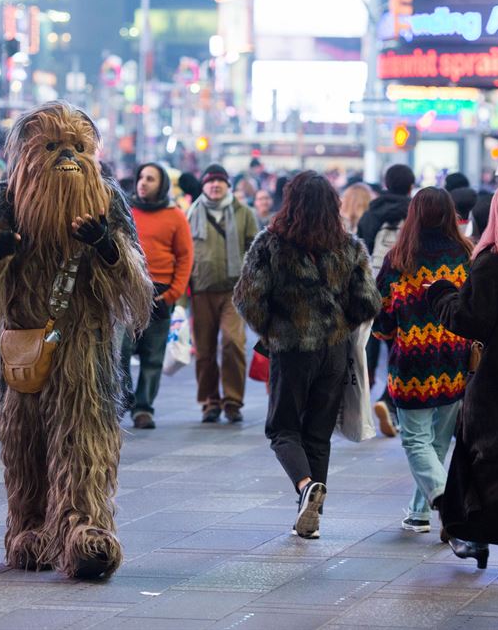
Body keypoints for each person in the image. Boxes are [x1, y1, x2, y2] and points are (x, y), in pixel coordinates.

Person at [0, 101, 153, 579]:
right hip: (25, 341)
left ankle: (85, 531)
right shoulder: (4, 200)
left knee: (84, 441)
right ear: (27, 153)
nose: (67, 156)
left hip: (84, 344)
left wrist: (105, 245)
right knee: (26, 443)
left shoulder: (106, 199)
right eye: (53, 147)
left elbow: (136, 282)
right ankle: (29, 528)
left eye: (77, 147)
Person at [233, 171, 381, 539]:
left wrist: (272, 326)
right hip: (333, 352)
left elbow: (247, 298)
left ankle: (304, 488)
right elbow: (368, 302)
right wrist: (338, 319)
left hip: (292, 349)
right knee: (318, 434)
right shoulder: (349, 246)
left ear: (290, 202)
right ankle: (311, 516)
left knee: (282, 428)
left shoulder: (270, 244)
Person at [427, 179, 498, 576]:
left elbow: (471, 320)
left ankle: (470, 535)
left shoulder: (492, 260)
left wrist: (440, 293)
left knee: (477, 456)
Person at [371, 187, 473, 535]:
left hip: (412, 363)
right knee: (438, 442)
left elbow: (382, 317)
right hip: (455, 359)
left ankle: (447, 505)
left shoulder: (399, 259)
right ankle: (419, 513)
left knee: (416, 441)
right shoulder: (466, 254)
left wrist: (389, 334)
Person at [120, 162, 194, 429]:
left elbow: (185, 257)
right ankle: (124, 396)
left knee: (153, 355)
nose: (143, 182)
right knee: (122, 349)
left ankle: (143, 409)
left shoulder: (175, 216)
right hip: (128, 290)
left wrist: (174, 292)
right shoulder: (126, 211)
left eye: (150, 179)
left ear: (160, 184)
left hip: (161, 292)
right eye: (141, 177)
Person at [187, 163, 259, 423]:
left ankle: (232, 401)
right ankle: (210, 401)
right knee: (204, 350)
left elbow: (255, 251)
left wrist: (253, 287)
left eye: (220, 182)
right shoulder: (191, 213)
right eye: (210, 182)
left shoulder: (244, 213)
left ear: (228, 186)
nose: (215, 186)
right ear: (204, 186)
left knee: (232, 343)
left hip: (234, 292)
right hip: (200, 290)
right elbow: (185, 255)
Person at [358, 163, 416, 437]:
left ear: (385, 183)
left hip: (371, 289)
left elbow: (361, 251)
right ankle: (388, 400)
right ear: (410, 185)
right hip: (403, 292)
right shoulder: (415, 213)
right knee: (399, 352)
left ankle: (358, 409)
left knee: (366, 351)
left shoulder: (371, 214)